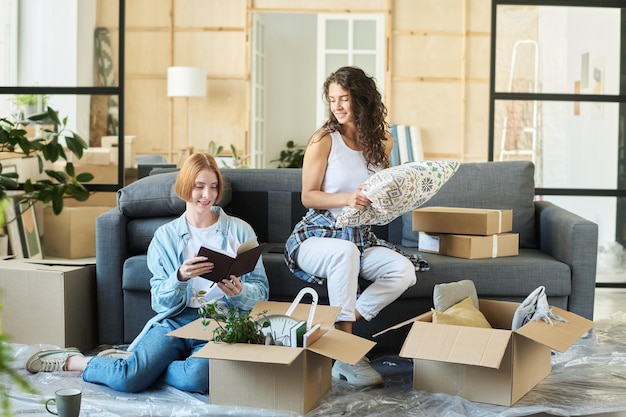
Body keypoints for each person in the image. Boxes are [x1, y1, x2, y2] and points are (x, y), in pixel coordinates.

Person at [25, 153, 269, 393]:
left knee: (197, 379)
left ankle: (139, 366)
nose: (208, 195)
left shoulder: (240, 230)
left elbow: (261, 291)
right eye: (199, 187)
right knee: (128, 381)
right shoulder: (165, 236)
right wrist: (180, 278)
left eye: (214, 187)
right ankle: (74, 362)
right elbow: (159, 302)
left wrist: (239, 292)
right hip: (176, 319)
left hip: (220, 322)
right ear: (185, 187)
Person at [285, 66, 419, 387]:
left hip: (360, 237)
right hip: (316, 236)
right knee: (344, 252)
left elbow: (383, 188)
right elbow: (308, 196)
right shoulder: (324, 140)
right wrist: (347, 198)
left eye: (344, 99)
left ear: (363, 99)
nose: (338, 107)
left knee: (404, 271)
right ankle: (347, 355)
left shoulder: (384, 142)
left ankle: (340, 326)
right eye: (332, 100)